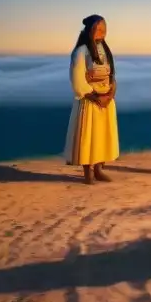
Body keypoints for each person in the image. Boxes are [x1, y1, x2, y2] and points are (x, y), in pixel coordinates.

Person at [64, 15, 120, 184]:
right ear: (89, 30)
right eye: (98, 28)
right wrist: (95, 96)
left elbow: (111, 75)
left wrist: (110, 94)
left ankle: (99, 169)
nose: (102, 32)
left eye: (104, 28)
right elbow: (77, 79)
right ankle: (88, 172)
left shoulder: (105, 50)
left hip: (106, 101)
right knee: (89, 137)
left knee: (102, 137)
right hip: (89, 101)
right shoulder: (81, 52)